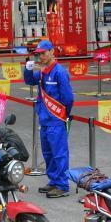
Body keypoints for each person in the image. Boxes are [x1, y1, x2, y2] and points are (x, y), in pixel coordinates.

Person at [23, 40, 72, 198]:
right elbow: (29, 80)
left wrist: (63, 116)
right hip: (44, 120)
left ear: (52, 52)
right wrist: (28, 68)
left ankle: (62, 185)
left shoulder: (59, 72)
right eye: (39, 54)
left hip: (56, 120)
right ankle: (54, 181)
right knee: (48, 153)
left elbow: (68, 98)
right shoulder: (43, 72)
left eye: (44, 53)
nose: (41, 56)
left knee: (59, 153)